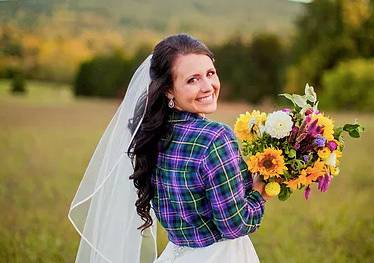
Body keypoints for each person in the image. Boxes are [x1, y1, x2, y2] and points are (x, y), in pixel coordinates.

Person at [68, 33, 269, 263]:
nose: (208, 86)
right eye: (192, 79)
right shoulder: (216, 138)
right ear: (169, 90)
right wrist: (259, 194)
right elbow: (235, 225)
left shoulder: (151, 135)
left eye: (210, 73)